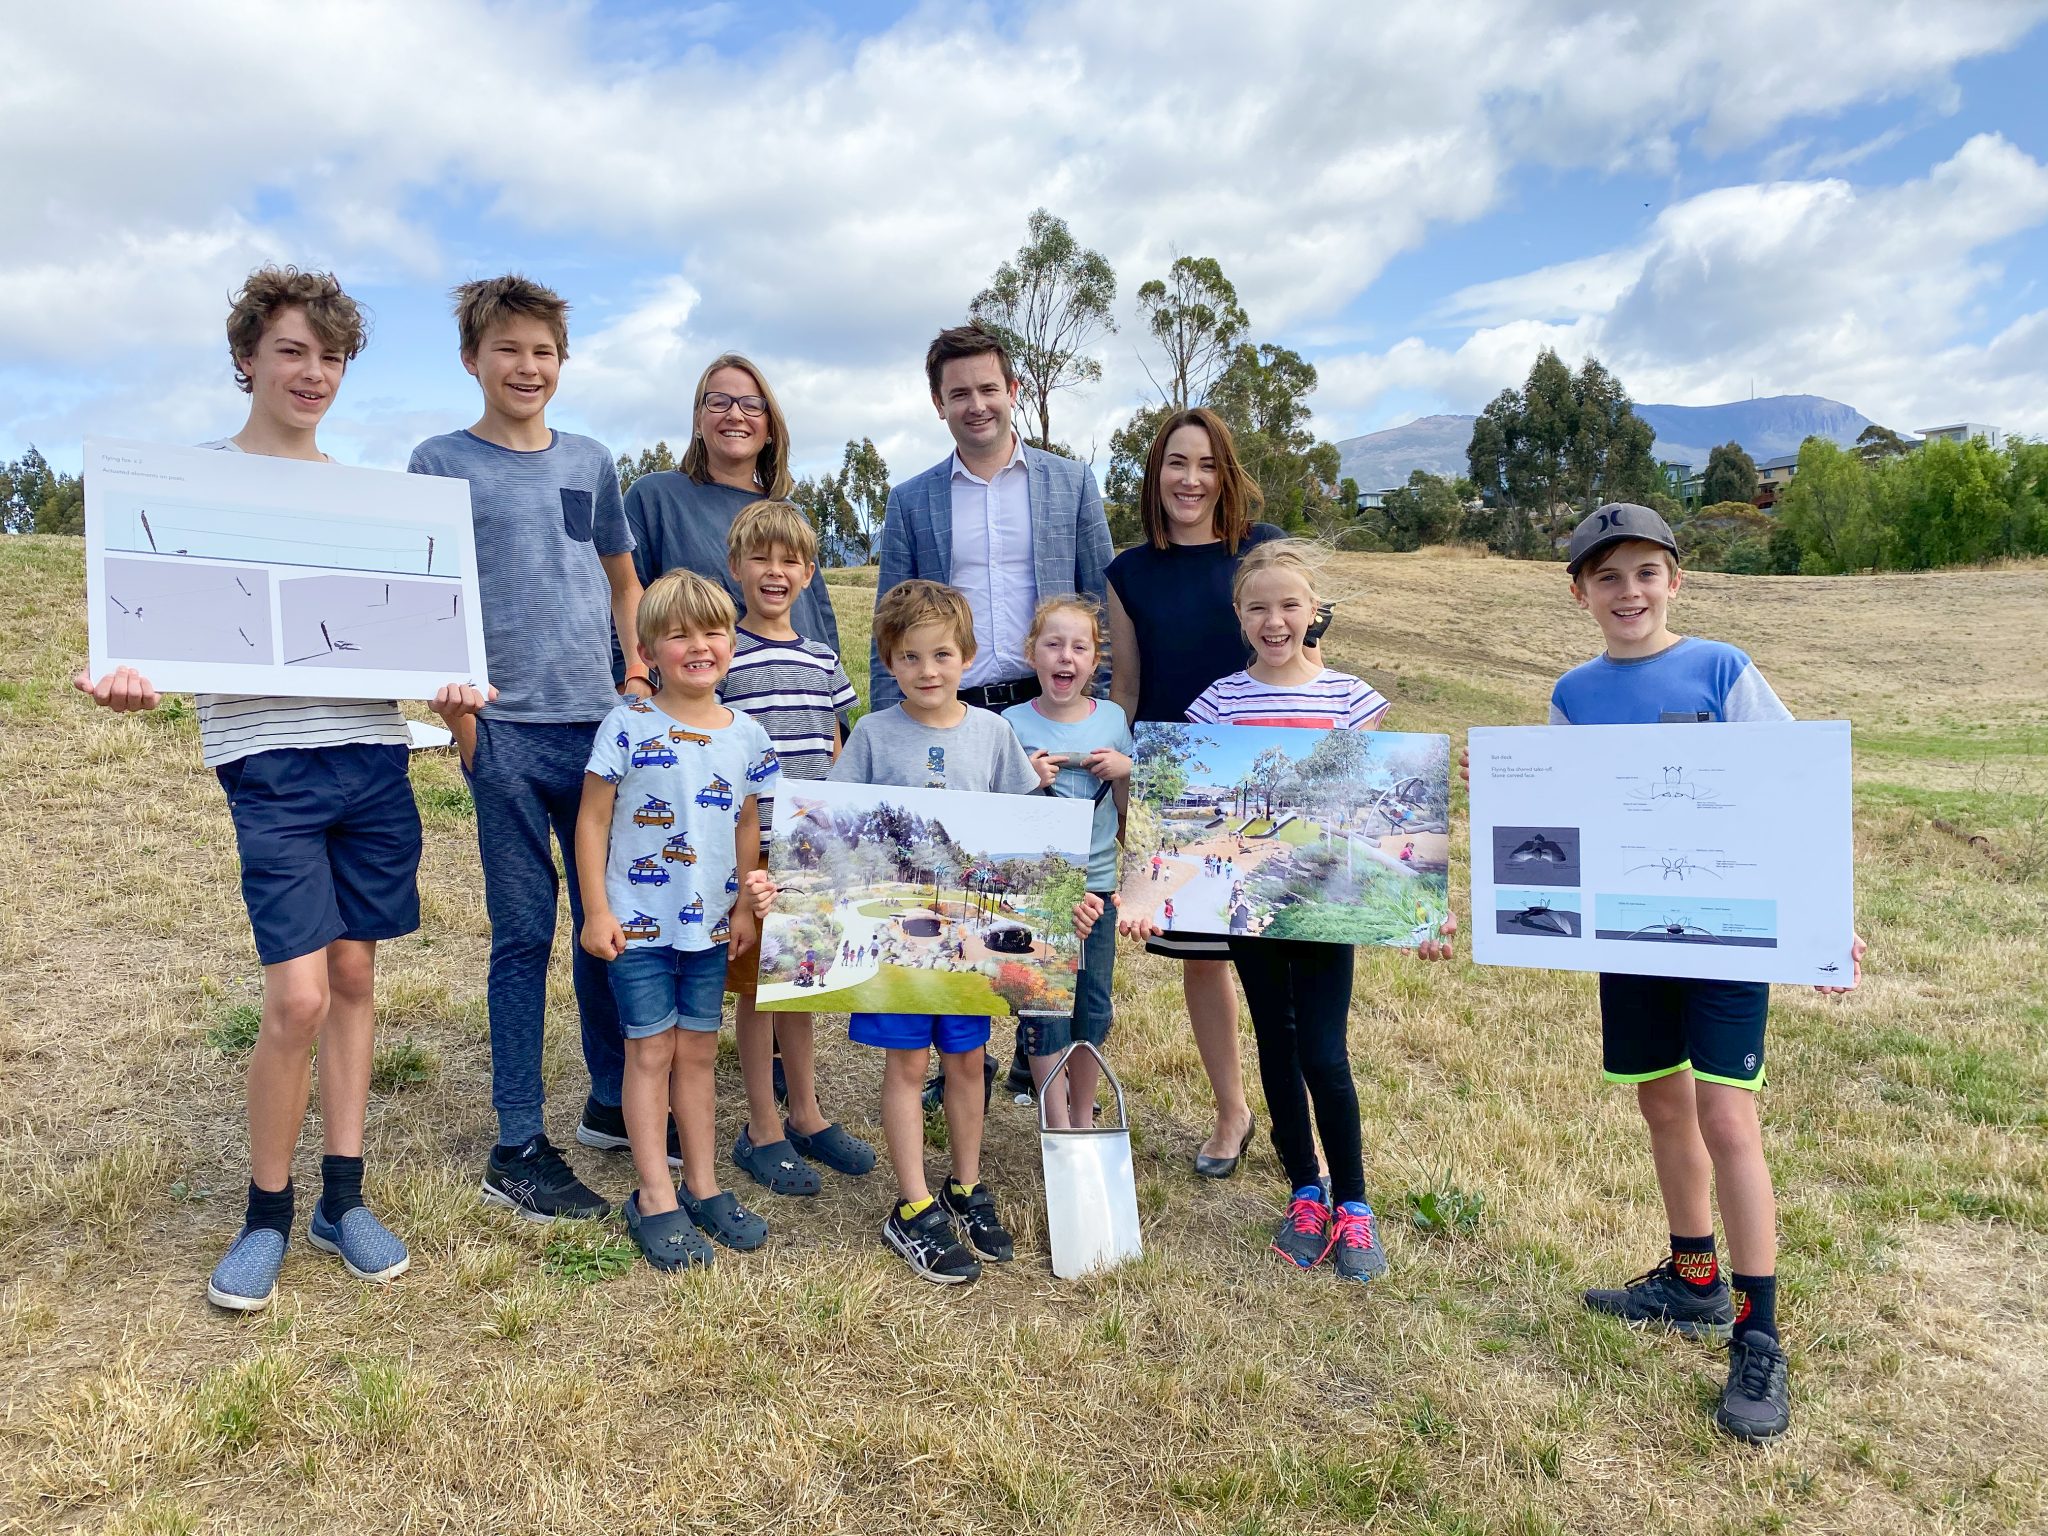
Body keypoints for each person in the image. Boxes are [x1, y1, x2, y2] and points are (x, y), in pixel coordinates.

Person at [74, 266, 484, 1309]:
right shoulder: (187, 492)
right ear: (247, 358)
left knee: (354, 982)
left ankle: (344, 1199)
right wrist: (130, 680)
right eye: (293, 351)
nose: (313, 373)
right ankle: (267, 1212)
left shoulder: (371, 504)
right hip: (269, 768)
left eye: (332, 356)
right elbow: (150, 634)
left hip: (374, 759)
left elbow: (411, 635)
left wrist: (445, 682)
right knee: (296, 997)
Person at [1543, 502, 1867, 1444]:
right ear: (1579, 594)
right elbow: (1565, 821)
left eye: (1646, 572)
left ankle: (1758, 1332)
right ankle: (1693, 1277)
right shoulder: (1572, 692)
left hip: (1729, 930)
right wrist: (1511, 792)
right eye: (1607, 577)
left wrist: (1824, 920)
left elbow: (1798, 789)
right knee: (1659, 1101)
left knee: (1728, 1115)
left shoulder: (1722, 669)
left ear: (1676, 581)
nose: (1628, 591)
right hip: (1632, 933)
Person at [748, 581, 1089, 1285]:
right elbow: (831, 826)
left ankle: (966, 1185)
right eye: (909, 657)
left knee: (967, 1065)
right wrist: (790, 883)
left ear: (966, 657)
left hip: (970, 949)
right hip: (903, 949)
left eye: (941, 655)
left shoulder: (996, 735)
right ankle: (913, 1204)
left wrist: (1066, 907)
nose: (927, 670)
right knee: (906, 1068)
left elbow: (1032, 839)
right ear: (889, 662)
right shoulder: (872, 733)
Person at [410, 275, 645, 1222]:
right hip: (503, 732)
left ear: (562, 363)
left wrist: (632, 680)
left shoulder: (590, 461)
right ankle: (516, 1143)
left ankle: (606, 1102)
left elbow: (623, 579)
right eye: (507, 349)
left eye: (543, 351)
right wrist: (461, 716)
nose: (527, 366)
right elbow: (423, 595)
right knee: (523, 933)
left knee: (604, 923)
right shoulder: (438, 462)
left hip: (597, 731)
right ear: (473, 359)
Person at [1155, 540, 1452, 1285]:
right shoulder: (1219, 700)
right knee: (1276, 1046)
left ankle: (1354, 1203)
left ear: (1315, 611)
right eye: (1258, 607)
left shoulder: (1352, 699)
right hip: (1251, 904)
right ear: (1239, 616)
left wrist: (1423, 905)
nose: (1274, 619)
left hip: (1328, 902)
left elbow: (1384, 805)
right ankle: (1304, 1192)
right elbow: (1193, 790)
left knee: (1324, 1050)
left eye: (1289, 605)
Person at [872, 320, 1113, 1098]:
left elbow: (1101, 596)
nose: (976, 405)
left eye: (987, 388)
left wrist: (1099, 709)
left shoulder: (1070, 484)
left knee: (1052, 886)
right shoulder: (912, 501)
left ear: (1015, 392)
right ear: (937, 404)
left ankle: (1038, 1050)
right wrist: (891, 737)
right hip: (957, 716)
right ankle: (956, 1051)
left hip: (1052, 707)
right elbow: (892, 614)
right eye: (957, 394)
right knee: (954, 882)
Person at [1106, 408, 1291, 1177]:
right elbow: (1126, 687)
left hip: (1267, 780)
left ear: (1227, 474)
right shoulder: (1128, 573)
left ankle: (1299, 1127)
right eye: (1176, 464)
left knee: (1282, 964)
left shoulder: (1262, 550)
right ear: (1155, 475)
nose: (1191, 480)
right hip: (1174, 787)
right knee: (1205, 960)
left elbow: (1302, 669)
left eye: (1207, 465)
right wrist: (1126, 799)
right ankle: (1231, 1111)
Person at [574, 571, 777, 1269]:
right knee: (649, 1053)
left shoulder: (747, 735)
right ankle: (653, 1193)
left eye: (713, 631)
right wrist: (597, 909)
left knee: (697, 1054)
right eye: (679, 634)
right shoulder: (627, 725)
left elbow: (748, 822)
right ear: (648, 648)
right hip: (638, 927)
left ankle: (704, 1183)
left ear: (731, 642)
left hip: (711, 930)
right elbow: (593, 818)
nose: (699, 646)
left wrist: (746, 906)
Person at [717, 499, 874, 1196]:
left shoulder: (821, 657)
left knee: (801, 982)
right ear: (735, 568)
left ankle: (806, 1112)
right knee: (758, 996)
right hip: (754, 854)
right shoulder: (726, 655)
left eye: (789, 561)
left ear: (809, 573)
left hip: (814, 851)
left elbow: (835, 742)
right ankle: (761, 1127)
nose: (774, 572)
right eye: (761, 558)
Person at [1002, 596, 1134, 1128]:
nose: (1066, 657)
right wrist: (1025, 778)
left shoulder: (1113, 719)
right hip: (1036, 891)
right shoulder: (1010, 724)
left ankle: (1084, 1118)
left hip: (1098, 887)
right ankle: (1054, 1121)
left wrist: (1125, 769)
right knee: (1042, 1005)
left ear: (1095, 659)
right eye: (1053, 644)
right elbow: (997, 814)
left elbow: (1133, 813)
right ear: (1032, 653)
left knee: (1092, 1006)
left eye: (1079, 647)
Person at [618, 352, 844, 655]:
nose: (735, 415)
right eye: (719, 402)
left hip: (798, 692)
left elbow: (820, 620)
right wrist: (633, 677)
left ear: (769, 429)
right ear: (698, 420)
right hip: (700, 696)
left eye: (751, 405)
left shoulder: (790, 514)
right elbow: (620, 598)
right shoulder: (653, 498)